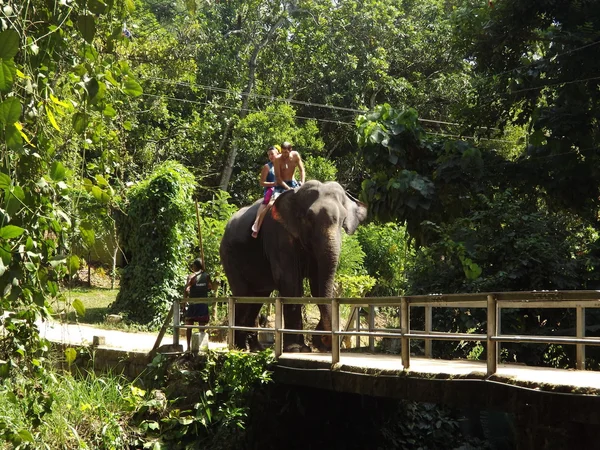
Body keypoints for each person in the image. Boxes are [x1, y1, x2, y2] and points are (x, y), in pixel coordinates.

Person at [183, 257, 216, 350]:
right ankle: (201, 347)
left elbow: (186, 289)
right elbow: (211, 288)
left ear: (195, 266)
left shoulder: (191, 276)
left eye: (193, 265)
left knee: (189, 326)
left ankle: (189, 347)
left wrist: (184, 303)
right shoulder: (206, 276)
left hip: (193, 304)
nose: (192, 267)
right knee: (201, 326)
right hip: (202, 305)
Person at [251, 146, 280, 238]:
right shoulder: (267, 167)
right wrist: (274, 184)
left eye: (272, 154)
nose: (271, 156)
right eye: (269, 155)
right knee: (268, 201)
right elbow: (262, 182)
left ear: (278, 154)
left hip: (282, 188)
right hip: (271, 189)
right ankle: (257, 224)